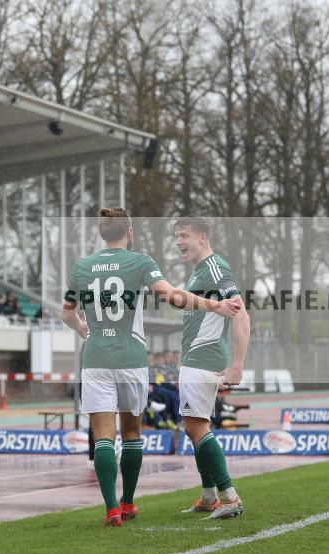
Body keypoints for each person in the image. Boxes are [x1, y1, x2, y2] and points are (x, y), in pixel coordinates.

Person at [61, 208, 240, 527]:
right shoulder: (140, 262)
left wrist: (82, 329)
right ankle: (128, 502)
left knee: (103, 435)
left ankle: (112, 508)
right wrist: (213, 304)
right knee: (131, 434)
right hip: (130, 358)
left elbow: (66, 313)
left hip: (96, 359)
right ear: (128, 232)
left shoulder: (82, 267)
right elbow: (170, 295)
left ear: (101, 233)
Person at [173, 216, 251, 520]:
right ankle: (208, 497)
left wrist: (237, 365)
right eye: (177, 236)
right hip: (195, 356)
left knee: (195, 426)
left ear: (203, 237)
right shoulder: (200, 271)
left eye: (185, 235)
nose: (179, 241)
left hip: (202, 357)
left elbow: (241, 315)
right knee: (194, 425)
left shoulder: (217, 269)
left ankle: (229, 497)